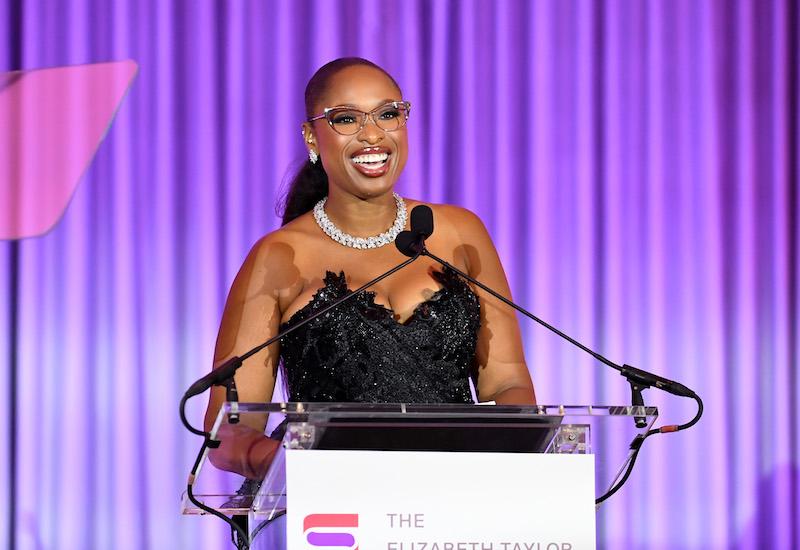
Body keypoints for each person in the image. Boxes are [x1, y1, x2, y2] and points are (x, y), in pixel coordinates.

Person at [204, 57, 535, 479]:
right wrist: (297, 469)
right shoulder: (277, 256)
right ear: (311, 136)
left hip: (456, 497)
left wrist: (503, 458)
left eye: (387, 113)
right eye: (346, 119)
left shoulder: (459, 233)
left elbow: (507, 384)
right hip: (331, 512)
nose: (373, 134)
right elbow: (228, 431)